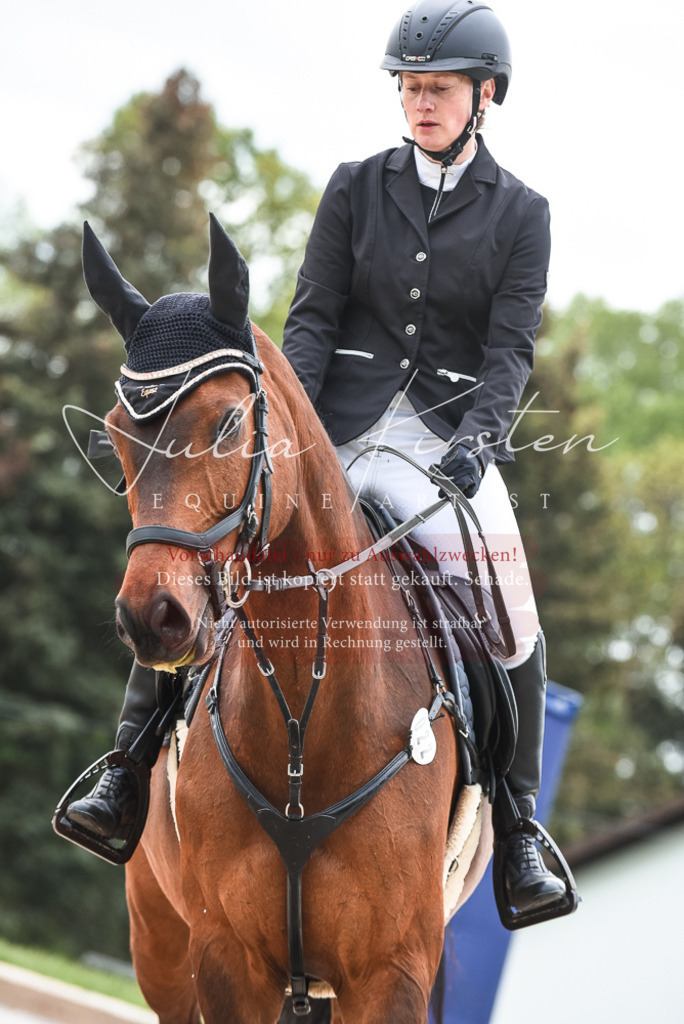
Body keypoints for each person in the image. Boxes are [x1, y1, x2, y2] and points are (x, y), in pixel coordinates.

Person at [281, 0, 567, 914]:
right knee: (214, 542)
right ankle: (128, 760)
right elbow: (315, 317)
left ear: (486, 95)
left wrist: (479, 446)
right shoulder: (354, 185)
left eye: (437, 89)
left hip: (445, 445)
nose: (418, 103)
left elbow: (508, 351)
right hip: (335, 426)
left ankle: (518, 828)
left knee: (513, 610)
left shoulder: (523, 213)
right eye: (408, 87)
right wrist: (292, 428)